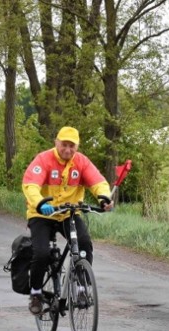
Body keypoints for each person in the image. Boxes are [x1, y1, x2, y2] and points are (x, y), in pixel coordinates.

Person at [22, 126, 114, 315]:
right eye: (64, 145)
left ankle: (81, 289)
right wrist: (39, 203)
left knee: (84, 244)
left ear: (77, 146)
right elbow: (30, 184)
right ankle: (36, 292)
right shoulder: (43, 159)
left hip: (69, 213)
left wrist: (104, 198)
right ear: (56, 143)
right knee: (41, 253)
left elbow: (97, 182)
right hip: (42, 214)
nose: (68, 149)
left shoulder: (81, 162)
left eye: (72, 146)